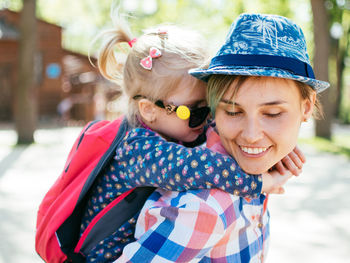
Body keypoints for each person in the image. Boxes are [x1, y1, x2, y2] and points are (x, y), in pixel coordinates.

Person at [78, 16, 304, 262]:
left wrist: (271, 147)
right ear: (148, 110)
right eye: (194, 111)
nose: (206, 118)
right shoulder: (137, 149)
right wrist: (258, 182)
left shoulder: (175, 126)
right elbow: (194, 166)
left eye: (211, 107)